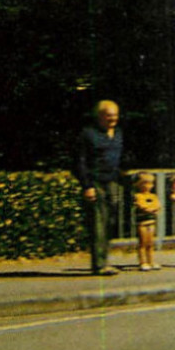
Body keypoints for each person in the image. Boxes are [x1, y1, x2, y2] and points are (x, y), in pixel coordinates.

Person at [76, 100, 124, 275]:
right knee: (98, 223)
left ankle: (105, 259)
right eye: (109, 115)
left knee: (110, 222)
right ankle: (99, 264)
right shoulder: (88, 134)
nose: (113, 119)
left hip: (112, 181)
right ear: (100, 116)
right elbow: (80, 161)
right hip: (96, 181)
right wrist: (87, 185)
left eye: (115, 115)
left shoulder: (118, 133)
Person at [132, 173, 160, 271]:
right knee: (143, 242)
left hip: (151, 221)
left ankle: (151, 261)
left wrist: (152, 208)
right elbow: (141, 205)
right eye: (145, 183)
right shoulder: (138, 196)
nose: (148, 186)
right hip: (142, 222)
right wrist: (149, 208)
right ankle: (143, 262)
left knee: (150, 243)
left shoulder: (153, 196)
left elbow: (157, 205)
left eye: (150, 184)